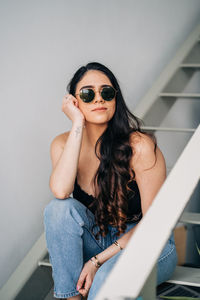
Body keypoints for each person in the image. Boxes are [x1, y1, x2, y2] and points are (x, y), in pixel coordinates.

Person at [43, 62, 177, 300]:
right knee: (58, 209)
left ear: (115, 98)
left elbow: (154, 224)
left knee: (107, 280)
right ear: (74, 102)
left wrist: (97, 261)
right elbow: (61, 191)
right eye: (87, 94)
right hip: (101, 237)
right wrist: (77, 124)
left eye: (106, 92)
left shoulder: (139, 146)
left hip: (148, 243)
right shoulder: (63, 144)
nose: (98, 99)